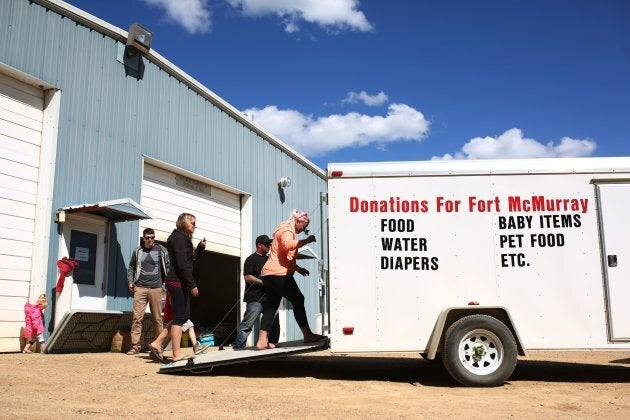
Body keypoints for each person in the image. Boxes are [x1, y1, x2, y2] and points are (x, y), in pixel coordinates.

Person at [256, 210, 326, 350]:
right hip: (278, 274)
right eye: (304, 225)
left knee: (272, 305)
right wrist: (306, 241)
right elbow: (288, 245)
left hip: (269, 274)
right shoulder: (287, 230)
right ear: (298, 221)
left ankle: (262, 341)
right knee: (298, 299)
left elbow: (285, 256)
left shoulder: (284, 229)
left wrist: (298, 269)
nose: (304, 229)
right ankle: (307, 335)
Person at [164, 213, 205, 362]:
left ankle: (156, 343)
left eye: (195, 223)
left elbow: (189, 260)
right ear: (183, 222)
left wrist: (199, 249)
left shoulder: (183, 238)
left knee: (183, 315)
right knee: (180, 317)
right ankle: (176, 353)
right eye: (192, 222)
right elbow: (182, 265)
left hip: (180, 282)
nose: (195, 225)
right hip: (177, 281)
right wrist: (192, 284)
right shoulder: (179, 239)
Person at [232, 235, 280, 349]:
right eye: (267, 244)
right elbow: (248, 277)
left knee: (274, 321)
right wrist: (263, 282)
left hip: (269, 298)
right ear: (259, 245)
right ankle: (239, 346)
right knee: (248, 324)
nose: (269, 246)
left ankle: (272, 344)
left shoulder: (270, 259)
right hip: (254, 298)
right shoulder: (251, 259)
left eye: (270, 244)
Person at [126, 227, 169, 355]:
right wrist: (130, 281)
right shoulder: (138, 251)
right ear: (143, 238)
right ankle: (135, 346)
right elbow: (131, 267)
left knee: (157, 318)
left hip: (156, 288)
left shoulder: (161, 249)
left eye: (152, 237)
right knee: (137, 318)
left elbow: (168, 266)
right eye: (148, 238)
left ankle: (158, 345)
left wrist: (166, 284)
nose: (150, 240)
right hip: (140, 287)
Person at [149, 291, 209, 362]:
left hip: (174, 317)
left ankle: (156, 349)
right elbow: (174, 306)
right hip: (175, 317)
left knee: (169, 336)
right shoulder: (173, 290)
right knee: (190, 326)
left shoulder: (172, 289)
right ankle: (196, 347)